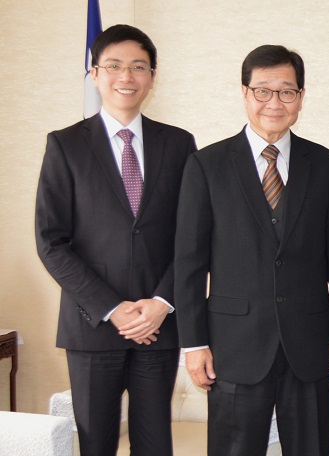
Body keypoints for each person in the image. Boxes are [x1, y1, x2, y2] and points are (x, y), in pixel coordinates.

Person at [174, 45, 329, 455]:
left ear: (301, 98)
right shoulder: (207, 165)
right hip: (234, 345)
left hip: (310, 345)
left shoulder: (326, 166)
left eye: (287, 92)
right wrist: (194, 343)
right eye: (263, 91)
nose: (275, 102)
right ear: (245, 93)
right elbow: (189, 263)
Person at [35, 24, 196, 456]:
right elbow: (51, 242)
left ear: (152, 76)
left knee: (154, 444)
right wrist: (112, 308)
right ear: (95, 74)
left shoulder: (180, 145)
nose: (126, 76)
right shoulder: (65, 145)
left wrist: (161, 302)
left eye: (138, 67)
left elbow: (192, 236)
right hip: (92, 327)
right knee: (96, 445)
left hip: (157, 325)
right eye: (115, 66)